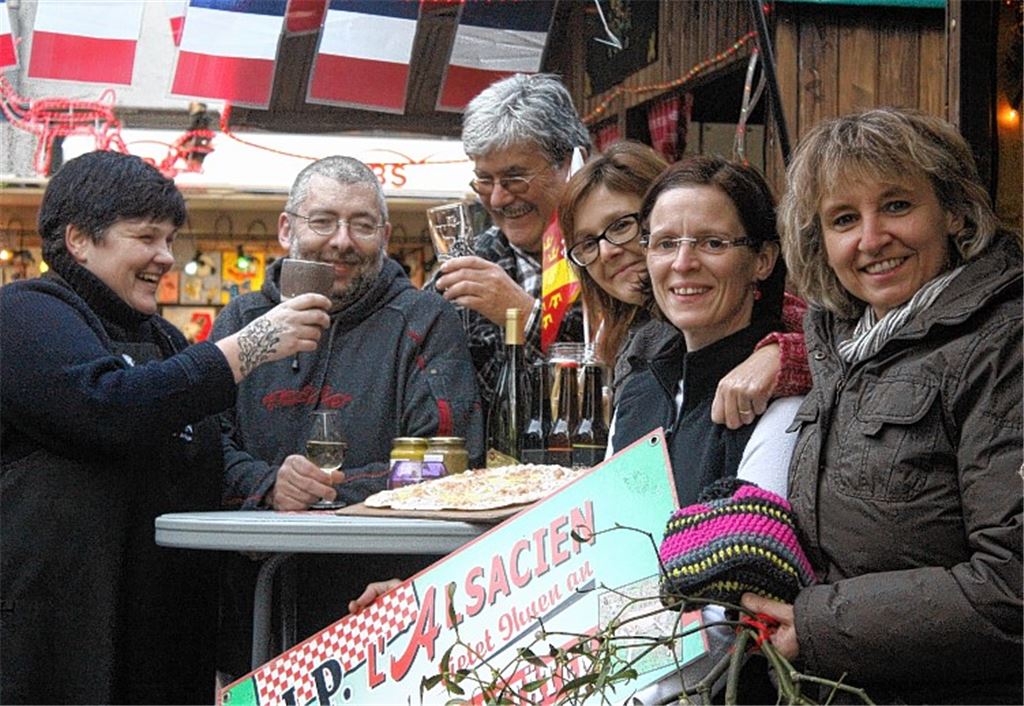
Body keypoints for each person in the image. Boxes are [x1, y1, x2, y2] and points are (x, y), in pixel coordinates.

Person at [0, 151, 331, 704]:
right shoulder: (25, 313)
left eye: (171, 239)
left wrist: (269, 484)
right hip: (54, 647)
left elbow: (201, 449)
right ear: (79, 240)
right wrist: (244, 349)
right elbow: (105, 409)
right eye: (147, 237)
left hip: (160, 643)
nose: (166, 257)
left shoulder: (164, 340)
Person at [742, 108, 1023, 704]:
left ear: (953, 211)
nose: (871, 239)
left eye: (896, 205)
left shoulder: (1004, 345)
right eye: (844, 219)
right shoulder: (844, 344)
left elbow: (1014, 584)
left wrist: (818, 624)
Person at [213, 155, 484, 677]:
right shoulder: (242, 319)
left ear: (384, 235)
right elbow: (203, 445)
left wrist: (328, 491)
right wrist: (267, 485)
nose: (342, 241)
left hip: (383, 615)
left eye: (361, 224)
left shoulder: (424, 320)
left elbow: (451, 464)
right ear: (287, 228)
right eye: (323, 221)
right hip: (252, 617)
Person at [559, 141, 811, 423]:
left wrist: (783, 357)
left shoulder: (769, 317)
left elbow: (835, 351)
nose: (607, 252)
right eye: (588, 243)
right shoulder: (628, 336)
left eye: (621, 226)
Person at [608, 156, 804, 507]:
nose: (683, 263)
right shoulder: (639, 391)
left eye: (713, 242)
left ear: (763, 260)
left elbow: (748, 538)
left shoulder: (780, 400)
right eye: (666, 243)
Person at [430, 73, 587, 416]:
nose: (498, 198)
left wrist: (526, 317)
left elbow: (624, 363)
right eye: (485, 180)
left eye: (515, 179)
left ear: (569, 164)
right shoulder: (470, 264)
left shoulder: (613, 253)